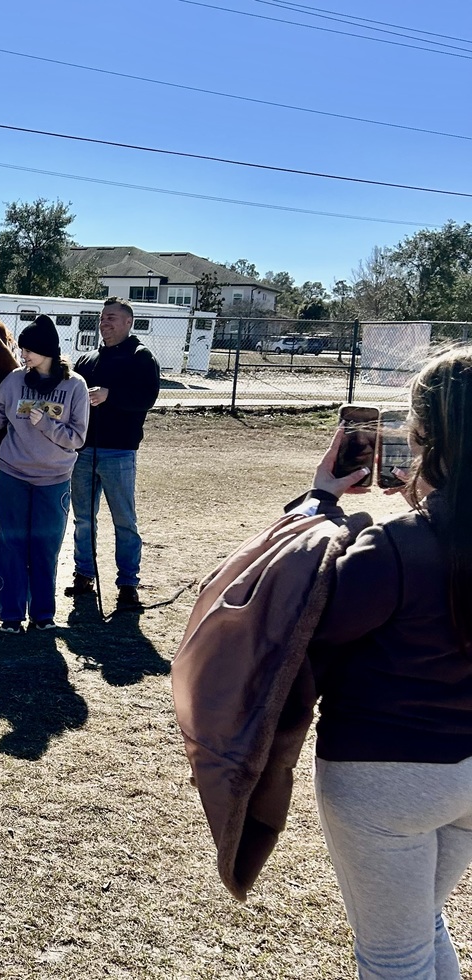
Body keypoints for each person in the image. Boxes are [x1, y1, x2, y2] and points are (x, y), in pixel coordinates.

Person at [301, 348, 472, 980]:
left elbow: (306, 621)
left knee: (394, 956)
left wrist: (319, 503)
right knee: (421, 925)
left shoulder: (398, 546)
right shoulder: (412, 539)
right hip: (466, 771)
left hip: (386, 774)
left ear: (424, 437)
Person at [0, 314, 88, 634]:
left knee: (45, 548)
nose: (22, 355)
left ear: (47, 351)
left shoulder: (74, 386)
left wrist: (47, 424)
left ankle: (43, 615)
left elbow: (77, 438)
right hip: (13, 475)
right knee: (10, 545)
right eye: (22, 349)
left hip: (54, 481)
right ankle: (10, 616)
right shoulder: (14, 381)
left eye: (28, 350)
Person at [66, 296, 159, 611]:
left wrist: (110, 395)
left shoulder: (141, 357)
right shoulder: (87, 359)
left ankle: (128, 585)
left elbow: (146, 398)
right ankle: (84, 574)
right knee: (83, 519)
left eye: (112, 318)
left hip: (119, 452)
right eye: (102, 318)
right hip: (82, 452)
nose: (105, 323)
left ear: (128, 322)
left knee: (124, 521)